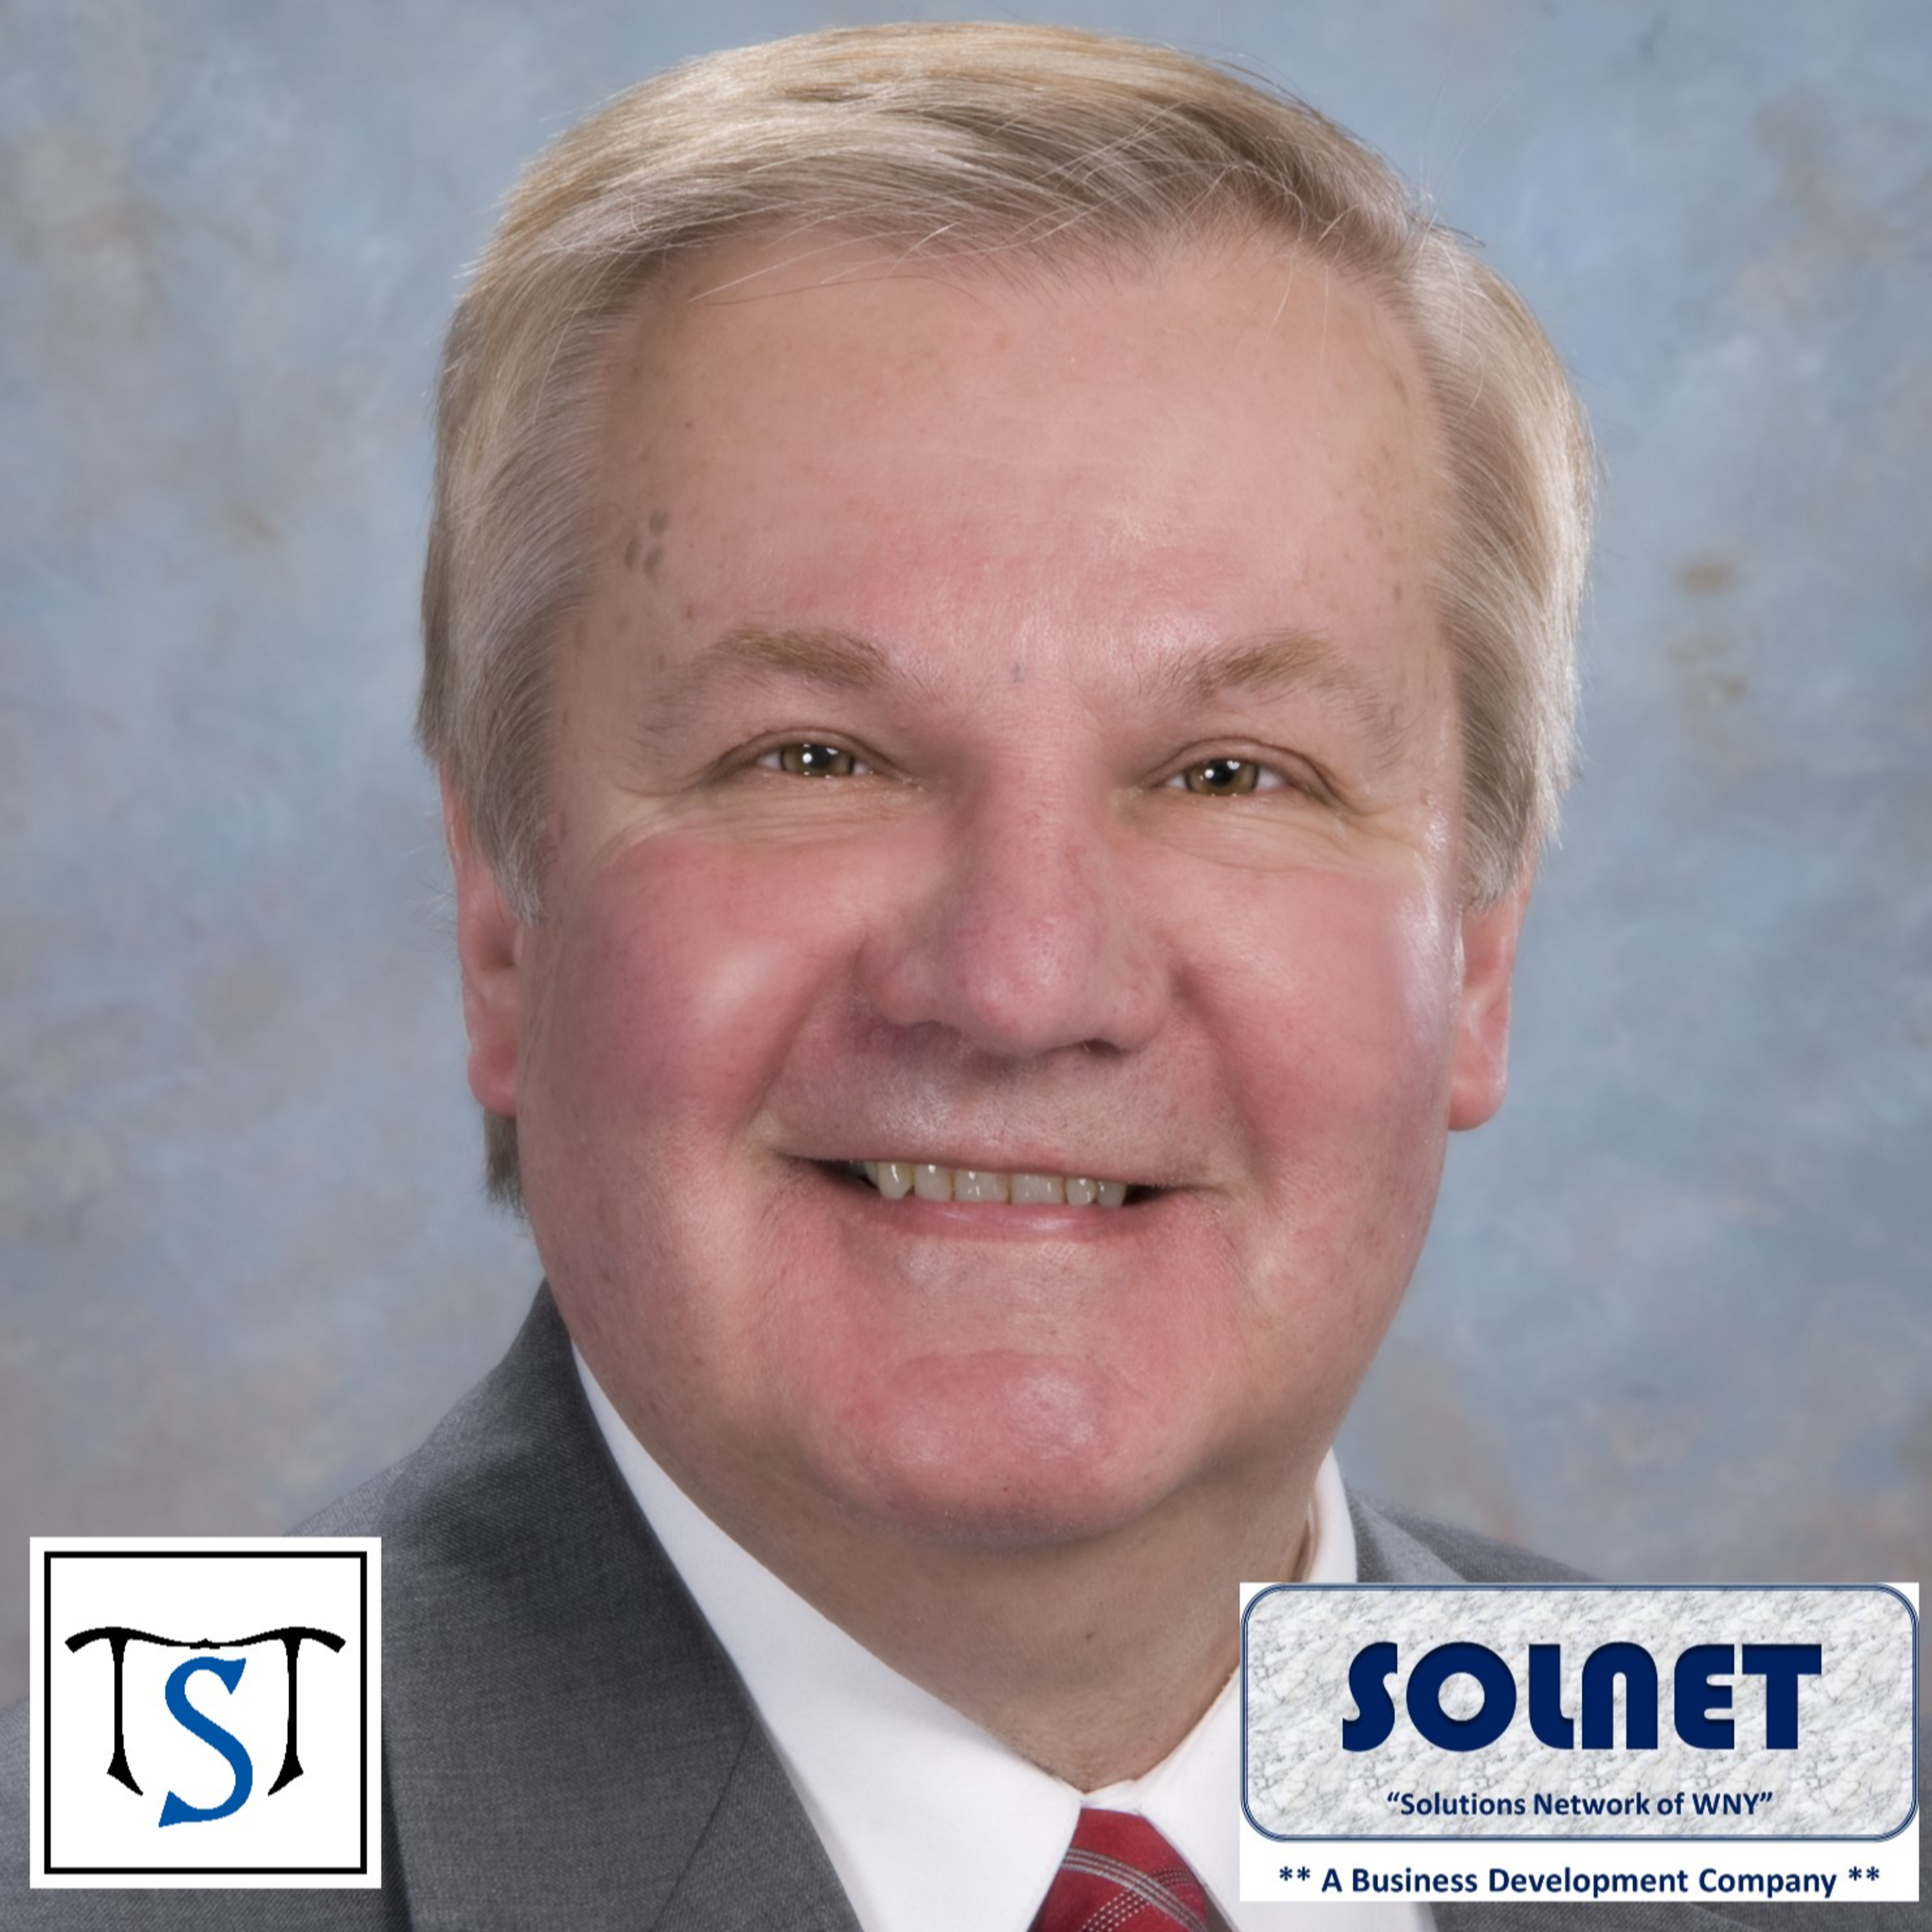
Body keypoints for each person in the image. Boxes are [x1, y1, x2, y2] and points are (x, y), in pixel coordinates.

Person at [6, 23, 1909, 1931]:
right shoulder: (107, 1869)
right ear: (505, 916)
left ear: (1475, 958)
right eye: (812, 759)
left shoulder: (1798, 1826)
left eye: (1232, 775)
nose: (1020, 983)